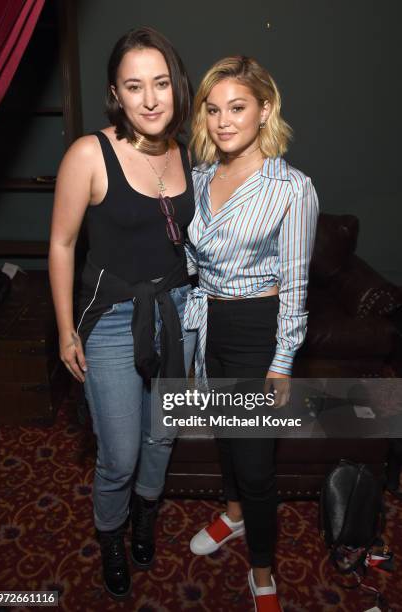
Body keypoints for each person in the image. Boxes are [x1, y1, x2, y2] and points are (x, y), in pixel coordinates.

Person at [48, 27, 196, 600]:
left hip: (176, 311)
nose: (151, 99)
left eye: (161, 83)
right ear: (116, 92)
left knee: (162, 439)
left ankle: (144, 513)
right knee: (121, 452)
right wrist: (65, 330)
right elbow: (61, 245)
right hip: (111, 320)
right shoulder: (90, 153)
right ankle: (110, 532)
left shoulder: (187, 152)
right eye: (135, 87)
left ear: (176, 87)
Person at [184, 56, 319, 611]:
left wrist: (282, 359)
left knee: (258, 464)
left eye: (237, 108)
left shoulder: (291, 189)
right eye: (213, 110)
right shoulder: (197, 177)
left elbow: (296, 283)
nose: (222, 121)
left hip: (258, 330)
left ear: (265, 109)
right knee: (225, 435)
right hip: (209, 322)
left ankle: (262, 572)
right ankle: (234, 516)